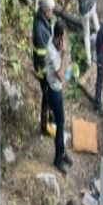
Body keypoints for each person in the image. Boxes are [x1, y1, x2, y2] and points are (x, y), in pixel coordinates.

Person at [46, 23, 72, 174]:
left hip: (57, 89)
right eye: (63, 36)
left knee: (61, 122)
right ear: (59, 38)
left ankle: (62, 153)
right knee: (60, 124)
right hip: (55, 90)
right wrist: (63, 56)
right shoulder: (52, 52)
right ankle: (57, 158)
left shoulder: (54, 42)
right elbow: (60, 76)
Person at [33, 0, 56, 136]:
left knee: (50, 95)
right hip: (43, 71)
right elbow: (42, 56)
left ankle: (49, 115)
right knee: (46, 96)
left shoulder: (42, 20)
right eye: (51, 11)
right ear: (46, 11)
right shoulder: (39, 30)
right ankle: (44, 125)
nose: (52, 13)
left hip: (45, 68)